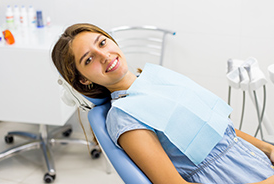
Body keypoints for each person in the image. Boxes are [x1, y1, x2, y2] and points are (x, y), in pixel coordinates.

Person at [52, 23, 274, 184]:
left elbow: (217, 128)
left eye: (102, 42)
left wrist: (268, 149)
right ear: (83, 79)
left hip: (253, 160)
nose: (104, 55)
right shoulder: (124, 117)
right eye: (88, 60)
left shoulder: (155, 78)